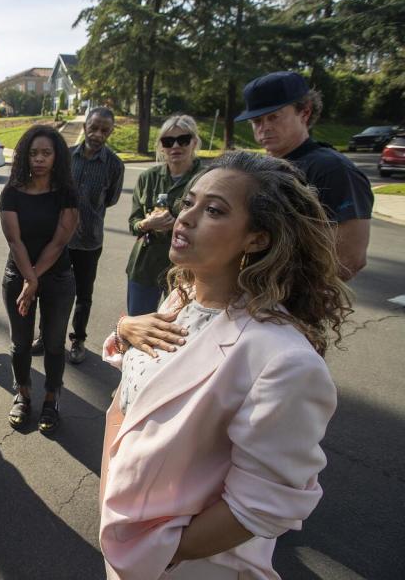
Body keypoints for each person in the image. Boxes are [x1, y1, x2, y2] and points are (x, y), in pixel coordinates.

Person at [99, 151, 351, 579]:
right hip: (127, 538)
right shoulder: (181, 298)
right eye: (189, 203)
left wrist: (161, 554)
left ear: (257, 238)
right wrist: (124, 330)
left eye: (214, 210)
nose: (185, 218)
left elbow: (260, 507)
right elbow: (141, 395)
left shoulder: (284, 360)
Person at [236, 71, 372, 279]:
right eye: (256, 121)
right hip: (248, 299)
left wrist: (285, 301)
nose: (264, 128)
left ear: (305, 113)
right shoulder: (260, 167)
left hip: (290, 305)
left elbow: (350, 258)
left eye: (274, 117)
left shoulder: (332, 169)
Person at [1, 125, 79, 434]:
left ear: (57, 156)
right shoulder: (11, 192)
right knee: (20, 344)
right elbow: (14, 241)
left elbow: (59, 241)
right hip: (16, 274)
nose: (39, 159)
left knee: (54, 343)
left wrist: (33, 280)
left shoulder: (67, 193)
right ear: (24, 157)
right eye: (33, 153)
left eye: (46, 153)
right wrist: (28, 280)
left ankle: (51, 398)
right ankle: (22, 394)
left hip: (58, 277)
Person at [35, 107, 123, 364]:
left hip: (89, 242)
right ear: (85, 126)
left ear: (110, 132)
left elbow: (111, 199)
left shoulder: (114, 165)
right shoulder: (65, 157)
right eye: (94, 127)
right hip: (58, 240)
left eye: (104, 130)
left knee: (83, 295)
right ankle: (45, 336)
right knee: (50, 289)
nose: (97, 134)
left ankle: (78, 340)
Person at [125, 114, 204, 315]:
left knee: (179, 332)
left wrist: (176, 224)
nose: (175, 146)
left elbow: (214, 225)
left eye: (183, 140)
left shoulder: (206, 178)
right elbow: (133, 223)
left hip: (187, 269)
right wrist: (146, 223)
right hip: (145, 267)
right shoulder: (147, 178)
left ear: (194, 142)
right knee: (139, 326)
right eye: (168, 141)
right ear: (161, 146)